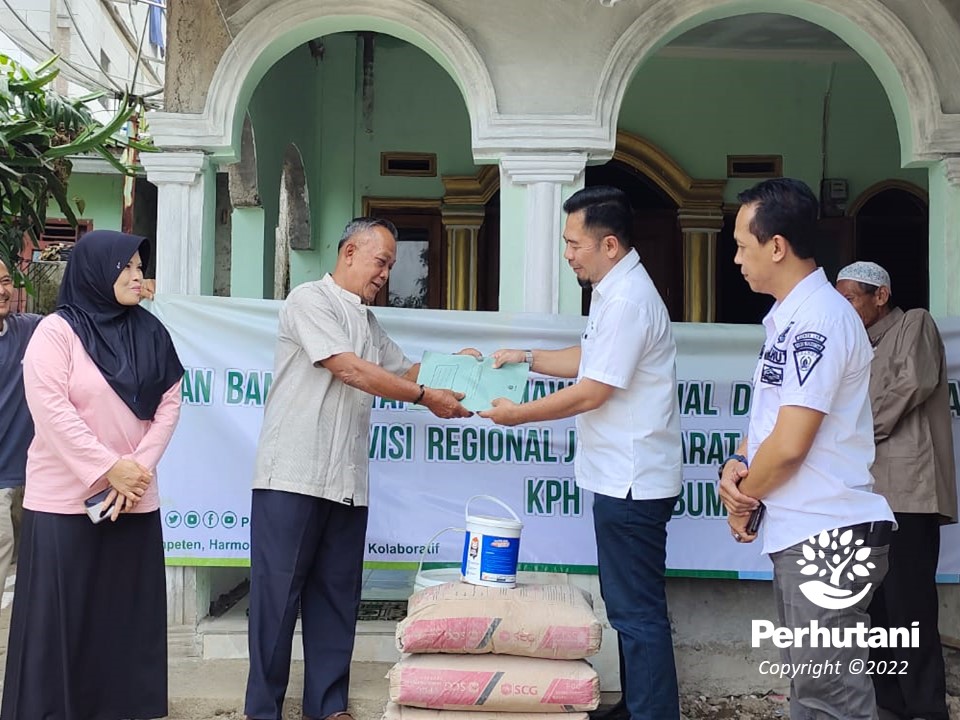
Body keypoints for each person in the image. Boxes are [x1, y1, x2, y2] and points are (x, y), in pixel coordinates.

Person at [243, 217, 473, 720]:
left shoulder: (367, 321)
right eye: (381, 262)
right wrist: (423, 395)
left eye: (391, 265)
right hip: (293, 477)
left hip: (345, 483)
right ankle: (262, 711)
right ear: (349, 252)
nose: (386, 274)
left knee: (336, 598)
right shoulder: (309, 301)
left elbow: (408, 370)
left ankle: (328, 707)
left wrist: (463, 367)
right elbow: (349, 368)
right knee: (276, 605)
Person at [479, 186, 683, 720]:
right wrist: (524, 357)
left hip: (632, 482)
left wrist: (516, 414)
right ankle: (641, 705)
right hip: (620, 476)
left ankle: (654, 713)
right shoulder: (615, 290)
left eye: (574, 244)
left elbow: (594, 390)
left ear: (609, 244)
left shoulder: (630, 300)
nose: (568, 253)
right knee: (627, 608)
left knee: (637, 612)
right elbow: (589, 357)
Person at [718, 179, 895, 720]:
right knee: (812, 696)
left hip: (828, 536)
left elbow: (792, 444)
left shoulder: (819, 319)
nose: (736, 258)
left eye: (743, 246)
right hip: (806, 530)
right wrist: (737, 465)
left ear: (777, 246)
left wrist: (744, 497)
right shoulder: (789, 319)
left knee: (832, 700)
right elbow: (771, 421)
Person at [1, 231, 184, 720]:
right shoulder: (56, 332)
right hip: (63, 504)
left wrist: (136, 471)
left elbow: (169, 403)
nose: (137, 275)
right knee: (62, 624)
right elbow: (51, 409)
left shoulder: (151, 332)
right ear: (95, 272)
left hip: (133, 502)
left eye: (140, 267)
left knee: (124, 622)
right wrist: (109, 469)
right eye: (126, 267)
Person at [836, 261, 957, 720]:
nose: (844, 309)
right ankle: (888, 708)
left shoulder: (914, 324)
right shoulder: (851, 344)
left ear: (880, 295)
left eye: (851, 298)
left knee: (911, 611)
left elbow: (912, 384)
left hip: (909, 493)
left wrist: (853, 431)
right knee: (876, 614)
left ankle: (927, 711)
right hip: (864, 497)